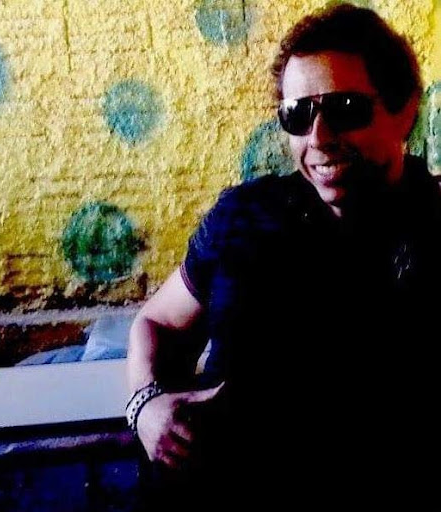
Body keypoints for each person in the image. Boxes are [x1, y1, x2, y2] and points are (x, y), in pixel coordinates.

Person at [127, 3, 441, 510]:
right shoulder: (242, 217)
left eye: (345, 109)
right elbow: (158, 322)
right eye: (298, 115)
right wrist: (146, 406)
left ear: (404, 110)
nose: (319, 138)